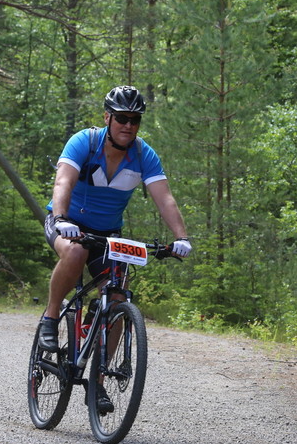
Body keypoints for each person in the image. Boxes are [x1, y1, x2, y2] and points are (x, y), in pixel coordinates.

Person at [40, 85, 192, 411]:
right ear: (107, 117)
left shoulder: (143, 155)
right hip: (67, 223)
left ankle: (97, 386)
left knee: (119, 296)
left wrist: (182, 237)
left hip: (108, 234)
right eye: (122, 118)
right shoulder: (86, 141)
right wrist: (63, 216)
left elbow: (164, 197)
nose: (128, 125)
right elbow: (63, 182)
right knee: (76, 252)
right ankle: (51, 318)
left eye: (135, 120)